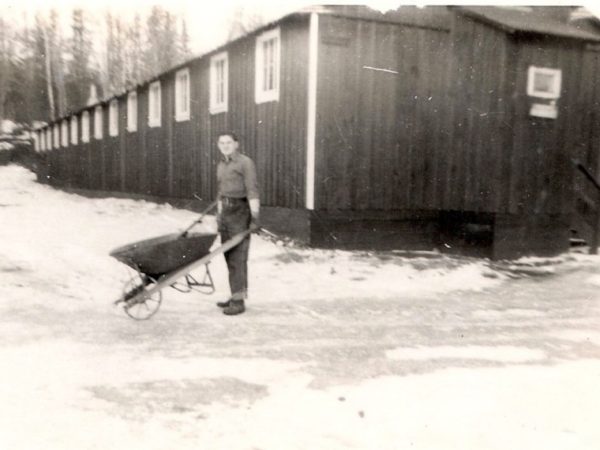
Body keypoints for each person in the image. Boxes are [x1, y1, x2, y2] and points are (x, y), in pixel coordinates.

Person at [215, 131, 260, 315]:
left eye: (229, 142)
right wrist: (219, 216)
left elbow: (252, 190)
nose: (225, 145)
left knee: (238, 257)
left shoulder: (245, 163)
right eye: (222, 143)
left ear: (236, 144)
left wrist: (255, 217)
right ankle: (235, 294)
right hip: (225, 212)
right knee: (228, 256)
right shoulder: (221, 165)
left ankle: (239, 301)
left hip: (240, 212)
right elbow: (220, 192)